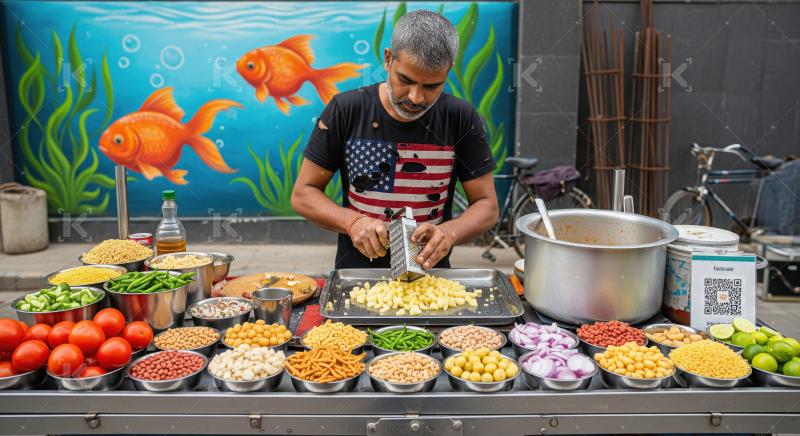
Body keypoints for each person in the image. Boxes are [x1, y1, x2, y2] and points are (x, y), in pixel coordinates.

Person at [291, 10, 498, 270]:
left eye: (432, 86)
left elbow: (487, 205)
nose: (415, 98)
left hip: (431, 280)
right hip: (357, 275)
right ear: (388, 59)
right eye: (405, 80)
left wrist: (450, 232)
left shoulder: (461, 117)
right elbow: (303, 194)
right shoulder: (346, 109)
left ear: (448, 71)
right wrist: (352, 222)